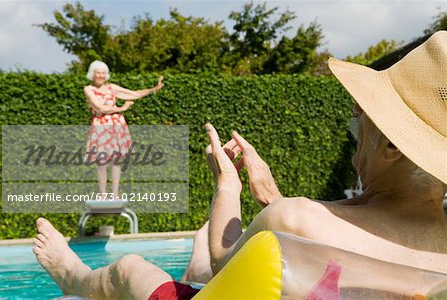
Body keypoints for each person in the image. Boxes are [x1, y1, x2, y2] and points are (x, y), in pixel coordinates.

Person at [33, 31, 447, 299]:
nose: (354, 120)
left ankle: (71, 276)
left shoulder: (299, 220)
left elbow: (223, 262)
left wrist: (227, 183)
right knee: (196, 256)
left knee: (130, 269)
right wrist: (271, 199)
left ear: (391, 144)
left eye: (362, 121)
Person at [84, 60, 164, 198]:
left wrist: (153, 89)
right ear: (92, 74)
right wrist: (122, 108)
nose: (101, 76)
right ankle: (102, 195)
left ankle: (115, 194)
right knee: (101, 162)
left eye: (103, 73)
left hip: (116, 125)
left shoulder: (111, 88)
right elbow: (99, 108)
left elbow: (133, 94)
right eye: (98, 72)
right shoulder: (88, 89)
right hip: (101, 126)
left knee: (116, 160)